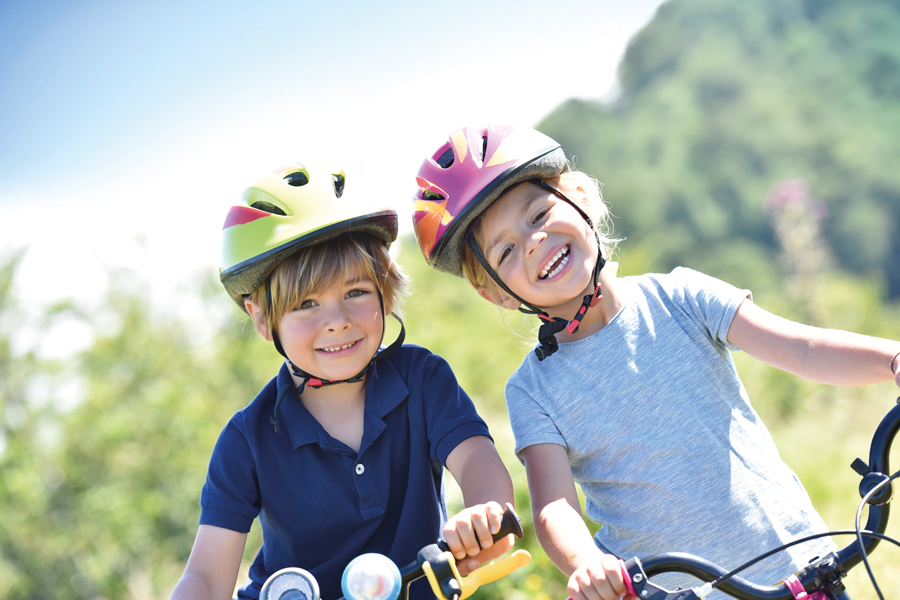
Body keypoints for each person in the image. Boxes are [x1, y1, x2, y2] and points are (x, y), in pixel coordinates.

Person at [410, 124, 900, 600]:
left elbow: (803, 348)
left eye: (538, 215)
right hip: (670, 592)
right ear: (494, 291)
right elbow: (554, 506)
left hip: (799, 568)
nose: (534, 241)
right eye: (508, 250)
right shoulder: (534, 390)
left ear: (580, 196)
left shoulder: (680, 296)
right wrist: (587, 565)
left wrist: (893, 359)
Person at [171, 162, 515, 600]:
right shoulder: (249, 438)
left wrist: (484, 513)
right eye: (306, 303)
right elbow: (205, 577)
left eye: (355, 293)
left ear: (385, 292)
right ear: (262, 320)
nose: (336, 322)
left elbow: (475, 461)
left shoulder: (423, 380)